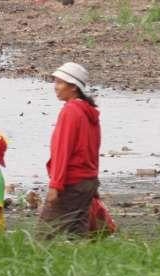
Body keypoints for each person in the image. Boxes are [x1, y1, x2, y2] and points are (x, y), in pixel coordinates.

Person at [40, 62, 101, 238]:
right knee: (77, 235)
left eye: (60, 83)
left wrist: (55, 185)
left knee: (44, 237)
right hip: (87, 182)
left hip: (71, 183)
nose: (55, 87)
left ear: (73, 87)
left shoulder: (70, 111)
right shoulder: (90, 112)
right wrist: (93, 180)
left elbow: (62, 151)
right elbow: (93, 149)